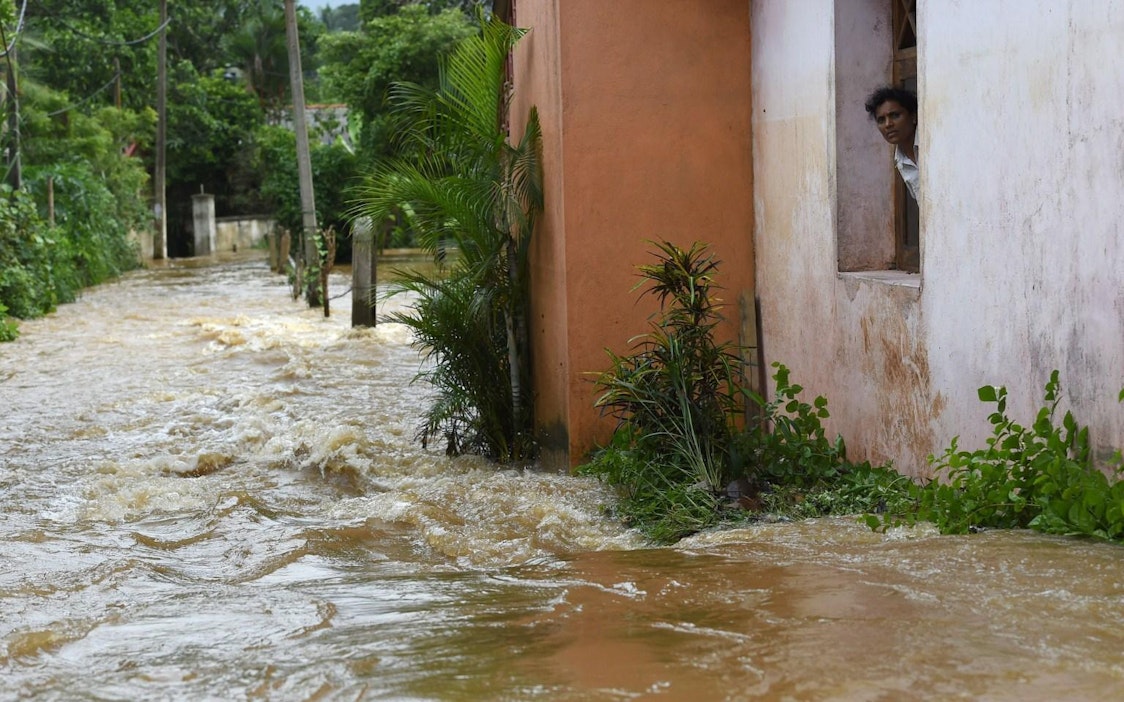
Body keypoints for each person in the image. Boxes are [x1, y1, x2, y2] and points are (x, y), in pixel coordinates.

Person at [864, 86, 919, 200]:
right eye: (881, 120)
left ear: (913, 116)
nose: (888, 124)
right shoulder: (900, 160)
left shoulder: (932, 146)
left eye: (895, 115)